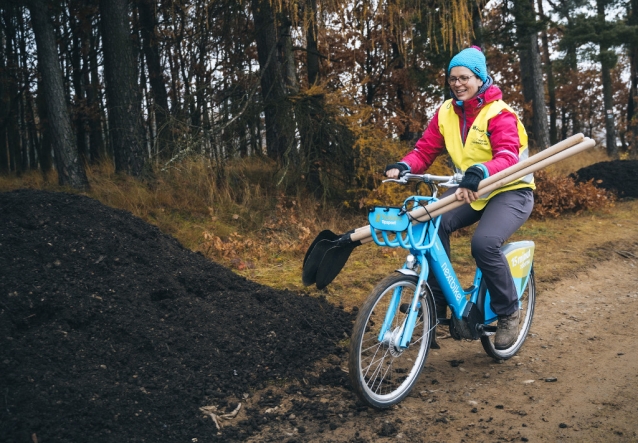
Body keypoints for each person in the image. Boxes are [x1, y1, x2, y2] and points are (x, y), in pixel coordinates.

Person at [385, 46, 534, 350]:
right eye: (452, 78)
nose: (457, 83)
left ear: (480, 78)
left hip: (510, 190)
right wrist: (404, 166)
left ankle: (508, 312)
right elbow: (424, 150)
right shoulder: (446, 112)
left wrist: (479, 170)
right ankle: (437, 306)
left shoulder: (500, 114)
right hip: (471, 187)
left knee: (484, 243)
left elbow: (507, 156)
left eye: (464, 77)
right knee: (432, 226)